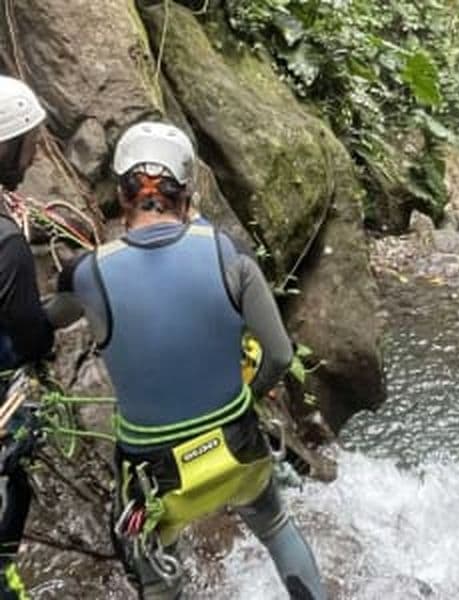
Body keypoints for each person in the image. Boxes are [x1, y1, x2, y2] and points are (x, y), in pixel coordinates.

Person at [51, 121, 326, 599]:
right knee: (277, 526)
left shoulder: (88, 274)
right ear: (187, 193)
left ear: (121, 194)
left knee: (157, 573)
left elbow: (37, 324)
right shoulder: (227, 253)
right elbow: (280, 355)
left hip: (155, 477)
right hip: (236, 449)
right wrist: (249, 393)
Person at [0, 75, 53, 600]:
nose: (36, 157)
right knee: (16, 476)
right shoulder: (8, 245)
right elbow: (31, 337)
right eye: (30, 144)